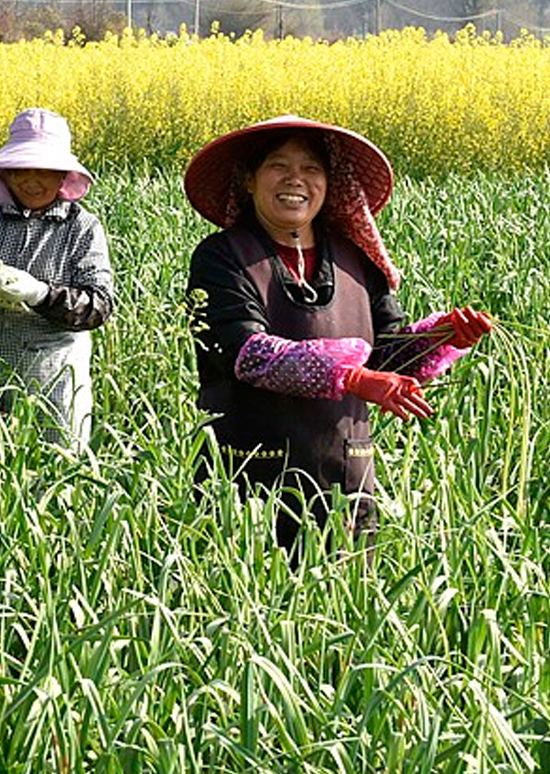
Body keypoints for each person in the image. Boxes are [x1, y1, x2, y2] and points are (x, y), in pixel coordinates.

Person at [184, 115, 492, 553]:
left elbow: (386, 357)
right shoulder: (221, 257)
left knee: (347, 589)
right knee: (251, 588)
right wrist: (353, 377)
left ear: (330, 184)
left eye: (311, 168)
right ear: (249, 180)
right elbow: (245, 353)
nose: (295, 180)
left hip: (345, 481)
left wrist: (442, 337)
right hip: (249, 484)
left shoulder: (357, 260)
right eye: (278, 166)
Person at [0, 108, 116, 450]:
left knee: (56, 464)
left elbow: (99, 304)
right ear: (6, 173)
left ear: (62, 176)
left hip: (55, 380)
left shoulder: (82, 227)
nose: (32, 181)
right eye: (21, 169)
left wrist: (39, 294)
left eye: (44, 171)